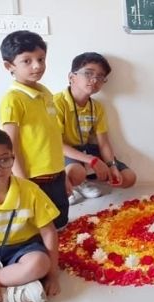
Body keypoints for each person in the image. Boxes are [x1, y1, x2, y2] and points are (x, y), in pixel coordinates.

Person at [0, 127, 60, 302]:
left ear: (12, 159)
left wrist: (53, 275)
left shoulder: (30, 190)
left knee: (40, 263)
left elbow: (48, 232)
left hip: (22, 249)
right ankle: (9, 295)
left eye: (4, 160)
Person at [0, 30, 68, 228]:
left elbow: (52, 135)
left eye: (41, 59)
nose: (37, 65)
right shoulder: (13, 99)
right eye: (26, 61)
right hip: (34, 177)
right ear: (9, 66)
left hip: (56, 171)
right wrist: (22, 182)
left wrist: (63, 173)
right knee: (40, 226)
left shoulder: (45, 92)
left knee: (61, 221)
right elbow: (10, 145)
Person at [54, 52, 137, 205]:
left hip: (86, 149)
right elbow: (56, 144)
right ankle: (73, 183)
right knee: (76, 173)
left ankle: (85, 179)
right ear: (72, 77)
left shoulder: (97, 107)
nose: (94, 80)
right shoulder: (57, 103)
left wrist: (112, 166)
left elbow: (103, 143)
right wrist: (92, 161)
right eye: (88, 73)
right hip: (64, 152)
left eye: (100, 76)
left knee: (129, 178)